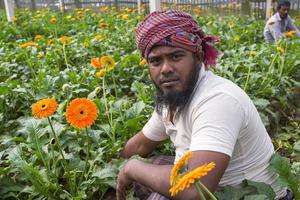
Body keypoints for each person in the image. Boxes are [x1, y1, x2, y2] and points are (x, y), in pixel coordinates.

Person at [117, 10, 289, 200]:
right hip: (215, 187)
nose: (165, 69)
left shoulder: (218, 100)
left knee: (149, 180)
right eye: (156, 61)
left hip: (250, 195)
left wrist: (132, 169)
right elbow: (141, 144)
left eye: (176, 56)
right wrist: (115, 165)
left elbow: (195, 191)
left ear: (198, 57)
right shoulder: (174, 96)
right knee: (150, 169)